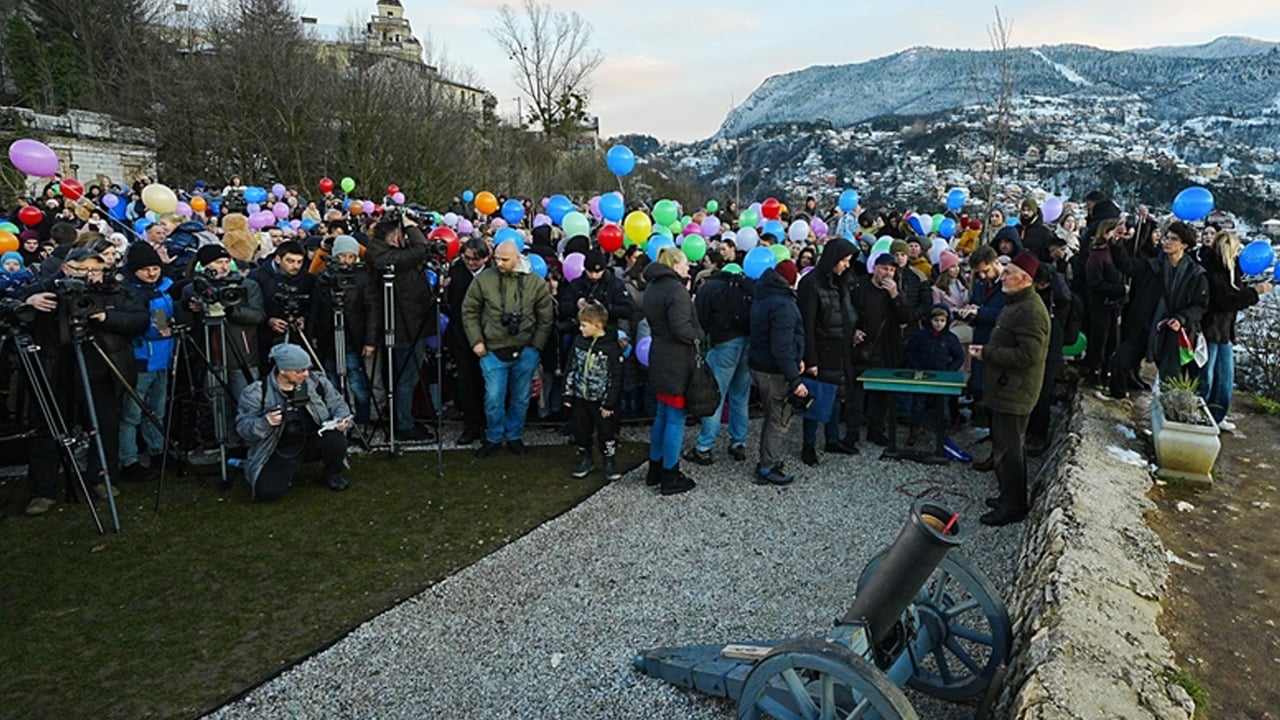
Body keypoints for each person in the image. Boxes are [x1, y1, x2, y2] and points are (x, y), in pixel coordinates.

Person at [20, 247, 148, 516]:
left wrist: (106, 317)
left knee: (105, 425)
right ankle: (43, 490)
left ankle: (102, 478)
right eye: (86, 270)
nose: (93, 276)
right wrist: (29, 300)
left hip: (102, 367)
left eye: (98, 270)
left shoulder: (115, 289)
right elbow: (10, 304)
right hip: (57, 369)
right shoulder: (45, 286)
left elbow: (138, 318)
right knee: (50, 429)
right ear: (68, 269)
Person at [970, 252, 1050, 526]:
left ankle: (1013, 506)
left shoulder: (1031, 310)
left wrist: (989, 353)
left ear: (1025, 279)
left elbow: (1030, 355)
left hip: (1015, 391)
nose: (1002, 276)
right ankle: (1008, 497)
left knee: (1010, 450)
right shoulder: (1017, 302)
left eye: (1008, 273)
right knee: (1004, 446)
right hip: (1007, 388)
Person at [461, 240, 555, 458]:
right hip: (492, 350)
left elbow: (545, 316)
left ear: (517, 258)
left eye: (505, 259)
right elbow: (469, 311)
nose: (500, 263)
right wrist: (476, 341)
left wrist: (536, 346)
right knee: (493, 397)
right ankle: (493, 436)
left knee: (520, 398)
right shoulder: (483, 280)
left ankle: (514, 435)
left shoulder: (535, 282)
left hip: (526, 349)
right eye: (497, 259)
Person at [235, 343, 353, 500]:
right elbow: (243, 428)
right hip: (278, 448)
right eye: (299, 371)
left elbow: (338, 404)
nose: (305, 374)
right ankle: (255, 467)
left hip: (313, 439)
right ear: (283, 371)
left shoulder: (316, 382)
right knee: (266, 493)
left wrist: (342, 419)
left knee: (336, 439)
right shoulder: (256, 393)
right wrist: (265, 422)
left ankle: (333, 473)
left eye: (307, 369)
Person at [1107, 221, 1209, 396]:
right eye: (1166, 237)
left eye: (1173, 239)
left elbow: (1200, 305)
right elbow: (1127, 265)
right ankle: (1117, 400)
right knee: (1120, 362)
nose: (1167, 242)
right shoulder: (1153, 266)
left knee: (1171, 378)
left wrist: (1181, 318)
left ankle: (1170, 415)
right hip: (1145, 325)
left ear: (1184, 245)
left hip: (1171, 331)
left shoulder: (1196, 274)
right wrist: (1116, 243)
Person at [365, 211, 439, 442]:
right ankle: (403, 425)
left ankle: (404, 418)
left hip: (411, 325)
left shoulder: (392, 254)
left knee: (406, 378)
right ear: (395, 235)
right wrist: (410, 226)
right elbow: (420, 249)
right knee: (405, 379)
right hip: (402, 329)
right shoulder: (384, 257)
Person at [1196, 231, 1269, 429]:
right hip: (1211, 328)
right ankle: (1199, 414)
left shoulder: (1232, 269)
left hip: (1225, 331)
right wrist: (1255, 292)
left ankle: (1217, 416)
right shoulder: (1213, 268)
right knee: (1206, 377)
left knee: (1225, 378)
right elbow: (1225, 300)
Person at [641, 246, 699, 495]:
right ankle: (670, 473)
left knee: (663, 415)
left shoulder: (652, 288)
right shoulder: (676, 290)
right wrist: (699, 335)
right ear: (675, 265)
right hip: (676, 358)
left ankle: (655, 468)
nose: (689, 268)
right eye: (685, 263)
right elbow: (681, 328)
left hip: (659, 353)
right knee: (675, 417)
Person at [798, 236, 860, 465]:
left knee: (835, 396)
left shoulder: (841, 282)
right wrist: (810, 358)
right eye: (844, 260)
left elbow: (845, 314)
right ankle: (808, 445)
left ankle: (832, 439)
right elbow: (807, 324)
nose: (847, 265)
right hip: (821, 349)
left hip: (839, 348)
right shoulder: (811, 283)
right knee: (816, 398)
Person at [685, 262, 754, 466]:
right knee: (741, 396)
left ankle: (704, 447)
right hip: (747, 343)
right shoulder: (743, 286)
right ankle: (738, 442)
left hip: (724, 345)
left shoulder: (708, 289)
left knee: (714, 395)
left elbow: (700, 323)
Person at [118, 242, 176, 481]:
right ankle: (128, 459)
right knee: (131, 413)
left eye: (155, 267)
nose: (152, 273)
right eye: (145, 270)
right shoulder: (129, 292)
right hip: (141, 358)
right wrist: (156, 331)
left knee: (157, 410)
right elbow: (132, 324)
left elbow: (163, 318)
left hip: (163, 357)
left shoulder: (163, 289)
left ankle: (158, 450)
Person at [308, 235, 379, 429]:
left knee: (358, 384)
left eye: (350, 256)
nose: (346, 261)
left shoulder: (363, 278)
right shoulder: (325, 277)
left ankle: (362, 421)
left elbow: (373, 309)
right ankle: (338, 422)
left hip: (353, 339)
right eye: (342, 256)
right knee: (332, 384)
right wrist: (312, 333)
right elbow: (316, 308)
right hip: (328, 338)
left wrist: (370, 341)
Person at [748, 264, 807, 485]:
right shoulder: (783, 304)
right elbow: (781, 347)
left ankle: (769, 458)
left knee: (772, 414)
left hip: (761, 364)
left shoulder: (764, 295)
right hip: (774, 371)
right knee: (778, 419)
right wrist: (794, 378)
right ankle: (767, 466)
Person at [851, 253, 912, 445]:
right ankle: (851, 434)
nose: (888, 273)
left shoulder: (895, 290)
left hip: (885, 349)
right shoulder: (859, 286)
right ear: (875, 268)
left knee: (880, 395)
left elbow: (905, 317)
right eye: (885, 268)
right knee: (856, 394)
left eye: (892, 270)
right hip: (861, 348)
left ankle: (876, 430)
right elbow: (848, 311)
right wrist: (853, 331)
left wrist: (895, 295)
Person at [563, 302, 624, 480]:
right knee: (581, 431)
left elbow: (617, 377)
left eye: (584, 325)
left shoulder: (611, 347)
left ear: (597, 325)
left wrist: (609, 402)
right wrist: (567, 393)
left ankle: (609, 461)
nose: (581, 328)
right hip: (580, 397)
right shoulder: (578, 342)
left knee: (606, 433)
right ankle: (586, 458)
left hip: (602, 402)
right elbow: (571, 367)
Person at [446, 237, 491, 444]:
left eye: (475, 259)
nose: (470, 263)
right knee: (466, 383)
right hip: (461, 336)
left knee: (488, 384)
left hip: (489, 337)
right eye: (467, 258)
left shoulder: (493, 273)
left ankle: (488, 425)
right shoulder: (456, 272)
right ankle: (471, 425)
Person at [904, 305, 965, 446]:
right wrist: (916, 367)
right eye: (936, 320)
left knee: (943, 406)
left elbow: (959, 357)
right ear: (930, 320)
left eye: (942, 320)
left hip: (941, 379)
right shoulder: (921, 336)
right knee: (918, 405)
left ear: (947, 321)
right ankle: (915, 430)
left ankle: (943, 433)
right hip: (922, 376)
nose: (939, 324)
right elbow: (910, 351)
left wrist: (949, 371)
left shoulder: (951, 338)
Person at [557, 249, 633, 333]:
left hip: (607, 330)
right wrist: (576, 305)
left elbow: (627, 310)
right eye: (590, 272)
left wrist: (605, 308)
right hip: (579, 330)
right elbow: (562, 308)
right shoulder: (576, 284)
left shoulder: (615, 284)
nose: (594, 276)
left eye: (598, 272)